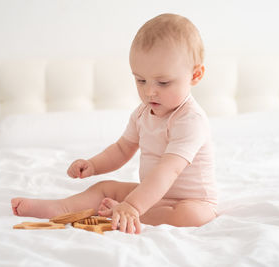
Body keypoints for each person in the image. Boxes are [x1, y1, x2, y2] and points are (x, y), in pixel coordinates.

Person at [11, 13, 217, 234]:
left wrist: (133, 205)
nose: (149, 92)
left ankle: (124, 213)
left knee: (192, 216)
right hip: (151, 194)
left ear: (195, 75)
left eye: (163, 82)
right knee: (105, 188)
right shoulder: (142, 114)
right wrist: (93, 165)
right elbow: (122, 149)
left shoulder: (190, 120)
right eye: (140, 80)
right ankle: (62, 207)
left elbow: (169, 171)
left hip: (190, 201)